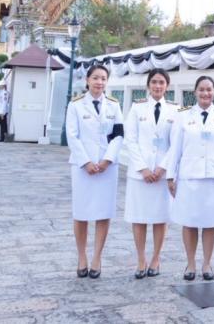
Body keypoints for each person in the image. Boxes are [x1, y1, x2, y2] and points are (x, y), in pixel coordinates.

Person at [166, 75, 214, 282]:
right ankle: (190, 263)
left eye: (209, 89)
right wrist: (170, 175)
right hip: (189, 177)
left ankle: (206, 263)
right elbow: (175, 147)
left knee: (211, 222)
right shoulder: (183, 116)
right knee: (189, 222)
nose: (206, 93)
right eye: (202, 89)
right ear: (195, 92)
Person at [66, 64, 124, 279]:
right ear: (87, 80)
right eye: (96, 78)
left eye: (103, 78)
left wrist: (107, 160)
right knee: (81, 213)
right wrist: (86, 162)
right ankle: (82, 257)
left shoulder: (114, 105)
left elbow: (119, 135)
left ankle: (97, 258)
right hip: (83, 168)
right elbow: (72, 135)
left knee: (103, 212)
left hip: (107, 168)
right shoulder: (76, 105)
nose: (99, 82)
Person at [123, 68, 179, 279]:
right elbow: (130, 140)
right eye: (154, 82)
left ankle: (156, 258)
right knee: (139, 218)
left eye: (161, 82)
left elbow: (176, 143)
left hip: (162, 174)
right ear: (148, 85)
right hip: (140, 174)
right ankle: (140, 259)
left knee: (160, 218)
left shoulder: (175, 110)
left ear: (167, 86)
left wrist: (162, 167)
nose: (157, 86)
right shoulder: (137, 108)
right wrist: (143, 168)